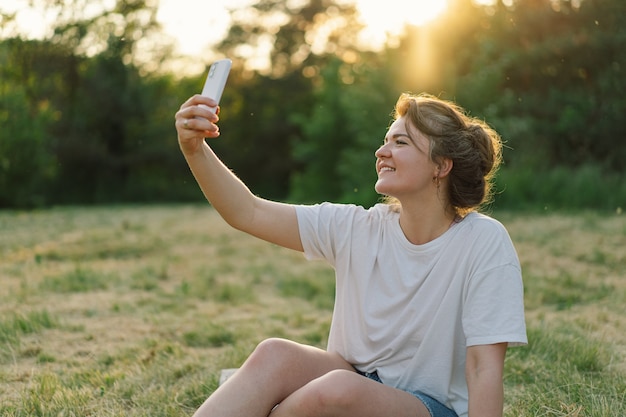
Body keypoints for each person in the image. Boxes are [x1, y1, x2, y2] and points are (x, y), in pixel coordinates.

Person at [174, 91, 527, 417]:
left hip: (428, 408)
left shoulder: (483, 241)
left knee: (337, 388)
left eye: (400, 142)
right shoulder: (357, 227)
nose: (381, 151)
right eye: (385, 140)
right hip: (349, 382)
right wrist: (195, 150)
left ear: (441, 165)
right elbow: (248, 212)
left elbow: (483, 367)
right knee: (274, 354)